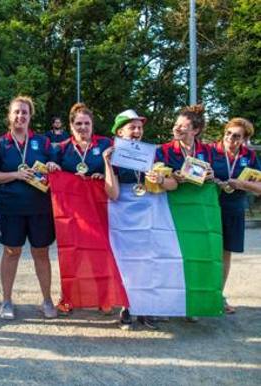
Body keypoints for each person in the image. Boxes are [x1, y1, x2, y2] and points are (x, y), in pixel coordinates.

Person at [103, 109, 178, 330]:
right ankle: (127, 306)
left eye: (139, 127)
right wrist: (107, 164)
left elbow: (173, 185)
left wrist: (162, 180)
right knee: (127, 261)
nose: (137, 131)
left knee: (150, 259)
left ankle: (148, 307)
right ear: (120, 132)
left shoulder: (153, 152)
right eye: (132, 127)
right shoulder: (113, 154)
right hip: (123, 212)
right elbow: (113, 193)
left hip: (150, 211)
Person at [0, 96, 60, 321]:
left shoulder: (43, 142)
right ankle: (7, 300)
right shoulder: (0, 144)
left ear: (30, 116)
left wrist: (51, 165)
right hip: (10, 207)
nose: (20, 116)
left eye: (24, 112)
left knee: (41, 253)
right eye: (16, 112)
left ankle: (47, 300)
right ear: (9, 116)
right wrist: (16, 175)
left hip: (40, 207)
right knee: (12, 252)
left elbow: (56, 165)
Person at [51, 102, 112, 315]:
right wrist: (53, 168)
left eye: (86, 123)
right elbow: (52, 171)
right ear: (70, 126)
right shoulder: (61, 148)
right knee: (71, 254)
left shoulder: (105, 145)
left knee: (100, 254)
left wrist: (104, 176)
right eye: (78, 124)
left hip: (97, 210)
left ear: (92, 124)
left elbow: (115, 172)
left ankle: (103, 297)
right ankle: (67, 296)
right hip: (71, 212)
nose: (83, 127)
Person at [155, 104, 214, 323]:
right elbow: (156, 177)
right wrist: (172, 179)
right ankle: (168, 304)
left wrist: (211, 174)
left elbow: (217, 177)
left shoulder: (208, 151)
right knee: (169, 257)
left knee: (196, 256)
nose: (176, 129)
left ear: (195, 130)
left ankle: (193, 304)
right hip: (170, 209)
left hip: (198, 211)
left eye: (183, 126)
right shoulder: (163, 150)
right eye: (176, 124)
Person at [209, 118, 261, 314]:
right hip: (210, 207)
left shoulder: (249, 156)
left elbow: (259, 187)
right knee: (206, 252)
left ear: (245, 139)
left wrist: (242, 184)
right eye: (228, 133)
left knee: (225, 254)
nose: (230, 138)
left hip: (233, 209)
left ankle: (218, 297)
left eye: (236, 136)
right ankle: (200, 296)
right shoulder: (211, 151)